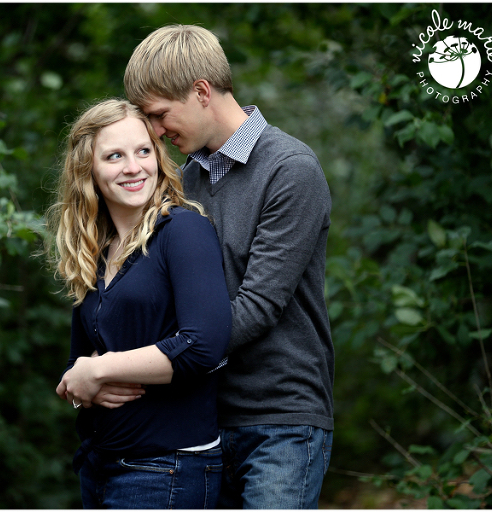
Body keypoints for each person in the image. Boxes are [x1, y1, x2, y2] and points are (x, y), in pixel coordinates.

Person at [122, 24, 335, 509]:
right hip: (201, 420)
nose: (155, 131)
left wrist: (148, 362)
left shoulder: (290, 169)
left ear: (201, 92)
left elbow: (258, 306)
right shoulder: (184, 182)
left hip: (280, 421)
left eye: (159, 114)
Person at [46, 98, 232, 509]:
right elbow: (77, 365)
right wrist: (81, 387)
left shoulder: (183, 231)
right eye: (114, 156)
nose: (133, 167)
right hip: (100, 465)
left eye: (143, 151)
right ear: (88, 169)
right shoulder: (95, 252)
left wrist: (101, 369)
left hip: (167, 469)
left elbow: (204, 345)